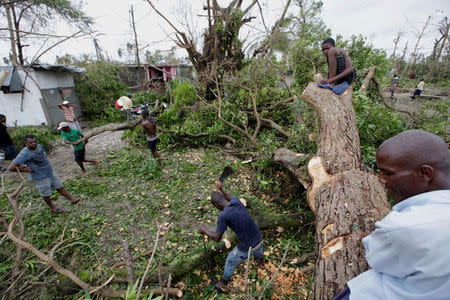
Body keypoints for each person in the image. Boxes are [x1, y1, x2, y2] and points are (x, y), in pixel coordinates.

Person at [333, 129, 450, 300]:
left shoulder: (403, 227)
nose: (380, 179)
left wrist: (374, 238)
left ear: (425, 173)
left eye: (388, 173)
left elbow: (375, 255)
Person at [198, 180, 265, 293]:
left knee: (230, 260)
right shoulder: (236, 201)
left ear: (218, 205)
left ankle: (223, 284)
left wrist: (204, 230)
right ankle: (261, 262)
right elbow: (228, 196)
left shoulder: (224, 216)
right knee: (258, 248)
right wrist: (221, 189)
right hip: (259, 238)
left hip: (248, 247)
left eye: (216, 207)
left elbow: (217, 238)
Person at [8, 134, 82, 214]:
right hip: (40, 177)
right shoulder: (24, 153)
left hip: (49, 172)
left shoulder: (39, 147)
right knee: (46, 193)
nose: (33, 144)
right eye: (30, 142)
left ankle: (72, 199)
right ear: (26, 143)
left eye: (35, 141)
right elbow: (11, 168)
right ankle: (52, 208)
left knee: (59, 186)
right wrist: (27, 169)